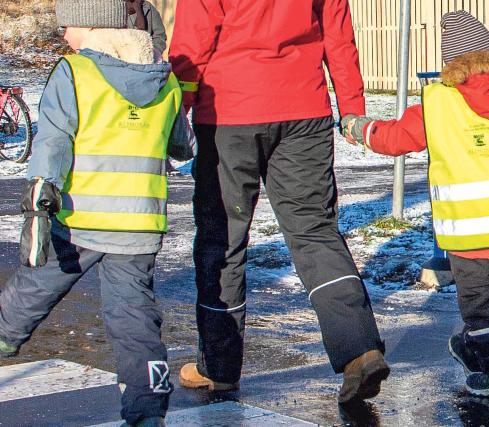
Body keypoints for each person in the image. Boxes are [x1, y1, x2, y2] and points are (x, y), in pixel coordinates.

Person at [168, 0, 390, 404]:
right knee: (315, 232)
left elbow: (194, 40)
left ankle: (217, 368)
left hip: (229, 110)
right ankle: (359, 348)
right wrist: (351, 107)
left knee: (223, 238)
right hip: (304, 109)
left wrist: (177, 109)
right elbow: (338, 34)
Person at [342, 10, 489, 400]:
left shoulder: (439, 104)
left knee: (482, 309)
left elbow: (395, 138)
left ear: (451, 63)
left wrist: (361, 129)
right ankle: (477, 349)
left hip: (469, 231)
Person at [0, 0, 195, 425]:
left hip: (78, 221)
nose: (64, 34)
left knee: (24, 299)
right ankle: (147, 412)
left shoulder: (75, 72)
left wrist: (38, 201)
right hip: (140, 226)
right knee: (135, 322)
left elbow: (52, 142)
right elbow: (183, 147)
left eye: (68, 23)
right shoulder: (166, 81)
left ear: (92, 23)